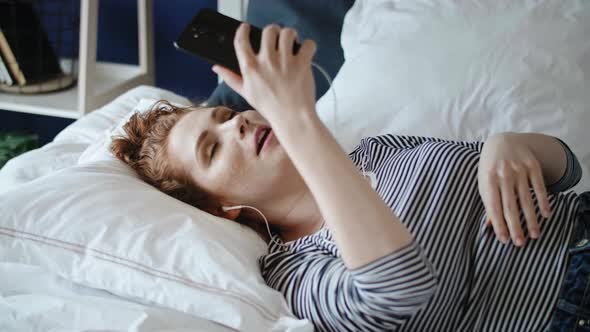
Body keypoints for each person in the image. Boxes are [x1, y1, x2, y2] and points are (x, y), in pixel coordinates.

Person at [111, 23, 588, 331]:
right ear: (221, 208)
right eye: (212, 149)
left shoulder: (377, 151)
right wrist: (298, 120)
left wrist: (509, 146)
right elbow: (400, 293)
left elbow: (567, 171)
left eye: (223, 115)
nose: (237, 123)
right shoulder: (293, 275)